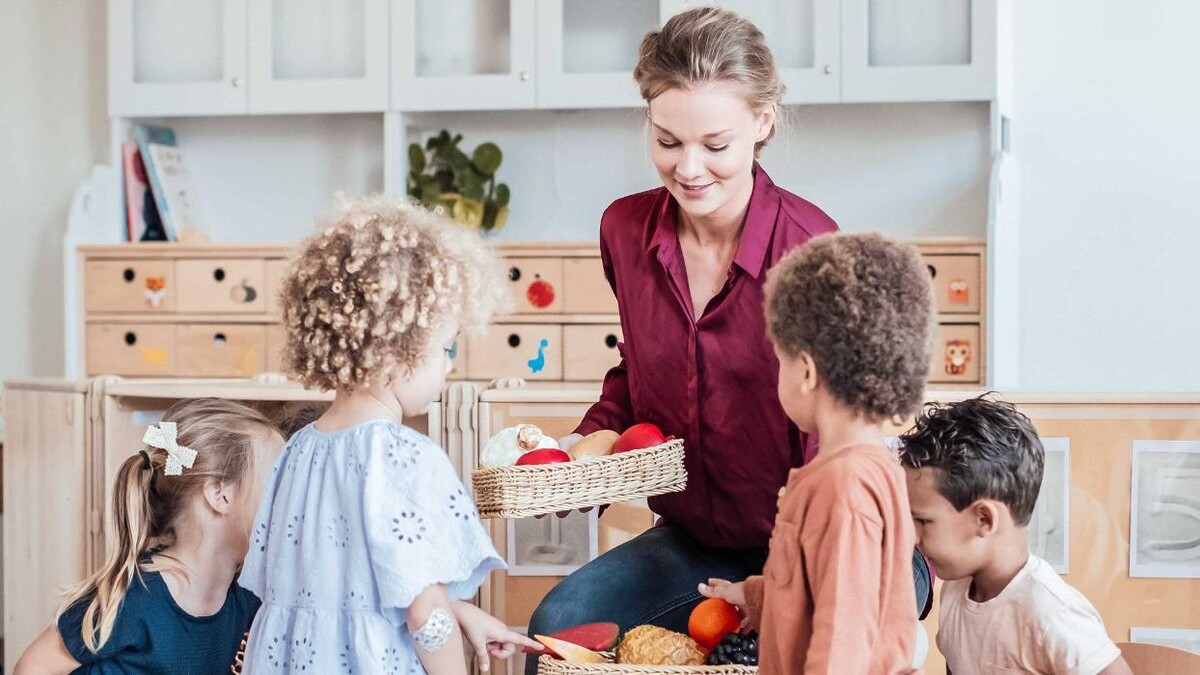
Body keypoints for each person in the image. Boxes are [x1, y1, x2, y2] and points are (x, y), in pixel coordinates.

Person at [527, 9, 931, 670]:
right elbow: (639, 372)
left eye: (715, 144)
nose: (688, 169)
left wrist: (785, 586)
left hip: (822, 536)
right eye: (667, 140)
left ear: (762, 122)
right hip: (695, 538)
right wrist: (581, 450)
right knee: (558, 629)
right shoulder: (625, 232)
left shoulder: (808, 246)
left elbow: (843, 430)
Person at [239, 195, 540, 674]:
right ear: (393, 353)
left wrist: (461, 613)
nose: (450, 362)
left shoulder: (297, 449)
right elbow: (425, 616)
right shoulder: (404, 457)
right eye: (445, 347)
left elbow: (343, 586)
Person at [701, 233, 934, 673]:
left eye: (780, 361)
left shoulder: (842, 488)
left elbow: (842, 638)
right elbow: (820, 590)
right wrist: (751, 594)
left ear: (805, 371)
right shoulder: (872, 470)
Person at [14, 399, 284, 674]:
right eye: (278, 481)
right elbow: (33, 667)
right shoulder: (135, 597)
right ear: (220, 494)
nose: (291, 499)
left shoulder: (244, 597)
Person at [899, 395, 1133, 675]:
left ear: (984, 519)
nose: (911, 535)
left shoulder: (1049, 612)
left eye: (922, 520)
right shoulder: (956, 591)